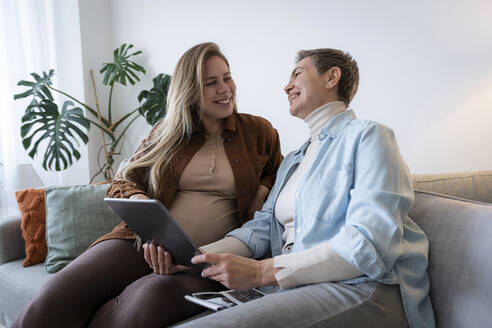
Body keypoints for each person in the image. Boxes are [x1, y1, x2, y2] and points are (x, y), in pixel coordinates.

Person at [12, 42, 282, 328]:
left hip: (202, 261)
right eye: (211, 83)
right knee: (54, 298)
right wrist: (147, 215)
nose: (225, 88)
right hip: (140, 241)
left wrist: (262, 191)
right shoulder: (166, 133)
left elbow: (278, 174)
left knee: (144, 303)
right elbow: (123, 180)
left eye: (227, 77)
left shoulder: (258, 131)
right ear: (189, 90)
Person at [178, 48, 436, 328]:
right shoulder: (293, 160)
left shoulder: (369, 136)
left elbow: (368, 245)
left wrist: (260, 271)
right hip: (294, 289)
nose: (286, 86)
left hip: (361, 286)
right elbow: (261, 229)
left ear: (331, 77)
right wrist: (194, 256)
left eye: (297, 74)